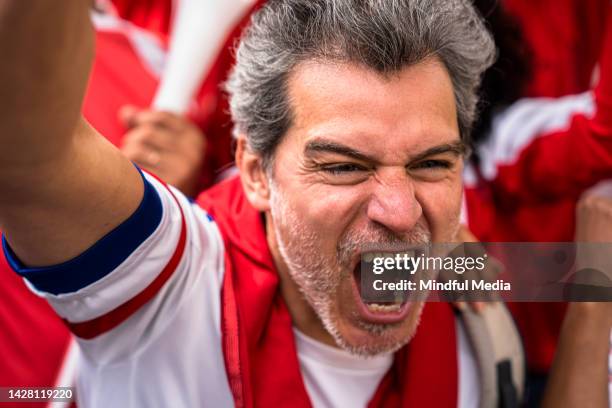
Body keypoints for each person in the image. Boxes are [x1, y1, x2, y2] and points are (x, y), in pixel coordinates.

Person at [0, 0, 528, 406]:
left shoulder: (470, 293)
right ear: (256, 172)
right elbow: (25, 153)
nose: (401, 212)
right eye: (344, 166)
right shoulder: (171, 281)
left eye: (430, 163)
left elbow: (583, 273)